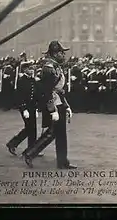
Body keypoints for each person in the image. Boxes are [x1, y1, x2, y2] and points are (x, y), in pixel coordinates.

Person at [21, 40, 76, 169]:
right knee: (52, 132)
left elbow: (58, 89)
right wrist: (52, 110)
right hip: (53, 103)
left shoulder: (55, 66)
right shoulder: (49, 68)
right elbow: (46, 90)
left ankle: (62, 161)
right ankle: (30, 153)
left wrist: (66, 105)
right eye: (62, 53)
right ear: (56, 53)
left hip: (58, 101)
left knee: (60, 133)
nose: (64, 55)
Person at [6, 60, 41, 155]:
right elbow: (19, 97)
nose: (32, 70)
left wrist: (37, 108)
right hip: (25, 108)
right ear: (25, 70)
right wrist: (24, 109)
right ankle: (15, 144)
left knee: (32, 129)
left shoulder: (33, 80)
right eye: (30, 68)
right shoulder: (22, 81)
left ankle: (30, 149)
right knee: (30, 128)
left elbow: (35, 95)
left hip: (33, 107)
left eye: (32, 68)